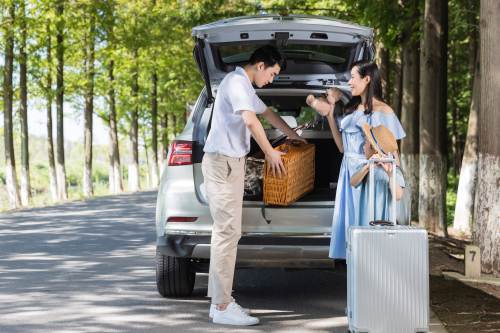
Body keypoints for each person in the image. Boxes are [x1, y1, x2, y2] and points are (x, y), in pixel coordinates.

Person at [202, 45, 305, 326]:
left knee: (230, 232)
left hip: (233, 164)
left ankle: (220, 303)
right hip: (221, 163)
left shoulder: (246, 88)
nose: (271, 79)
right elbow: (250, 120)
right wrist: (271, 152)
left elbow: (268, 114)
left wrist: (293, 136)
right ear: (260, 65)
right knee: (226, 232)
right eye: (272, 73)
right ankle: (222, 306)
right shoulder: (236, 83)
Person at [305, 61, 405, 259]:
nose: (349, 82)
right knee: (352, 233)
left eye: (353, 77)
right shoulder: (354, 107)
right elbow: (343, 148)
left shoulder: (384, 112)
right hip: (349, 173)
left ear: (367, 79)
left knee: (367, 229)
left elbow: (393, 154)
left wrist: (394, 176)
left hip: (370, 175)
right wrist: (331, 115)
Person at [350, 123, 405, 226]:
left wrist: (390, 175)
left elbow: (398, 195)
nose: (363, 146)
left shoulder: (394, 170)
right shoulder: (365, 167)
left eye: (366, 142)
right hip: (366, 221)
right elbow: (353, 182)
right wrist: (367, 167)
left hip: (387, 222)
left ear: (372, 147)